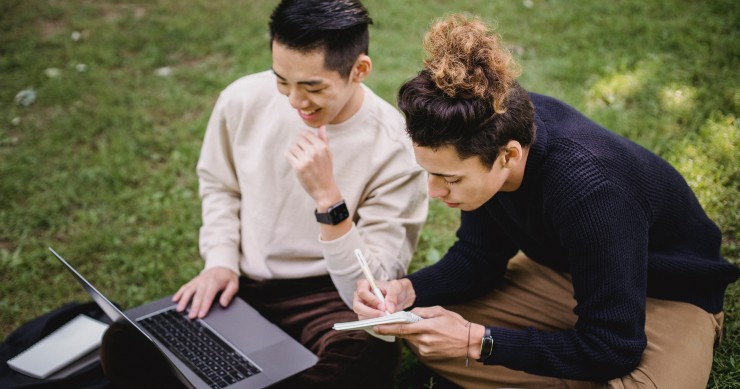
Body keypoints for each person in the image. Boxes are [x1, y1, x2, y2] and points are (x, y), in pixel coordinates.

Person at [352, 14, 740, 388]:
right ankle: (563, 363)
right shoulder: (487, 125)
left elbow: (614, 345)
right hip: (562, 270)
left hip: (668, 293)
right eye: (430, 173)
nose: (435, 192)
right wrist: (409, 290)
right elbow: (479, 257)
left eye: (450, 179)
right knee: (425, 332)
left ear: (509, 156)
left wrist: (477, 341)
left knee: (629, 375)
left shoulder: (592, 191)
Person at [102, 1, 427, 388]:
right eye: (281, 80)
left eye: (312, 87)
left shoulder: (395, 147)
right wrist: (220, 261)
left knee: (367, 356)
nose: (294, 101)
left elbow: (374, 287)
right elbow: (220, 185)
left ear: (359, 70)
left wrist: (329, 200)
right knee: (125, 341)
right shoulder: (242, 99)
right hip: (245, 282)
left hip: (329, 296)